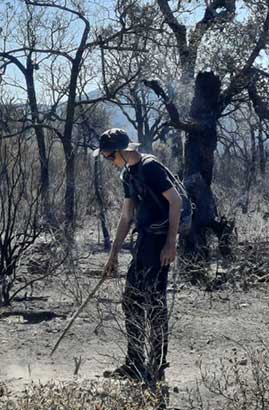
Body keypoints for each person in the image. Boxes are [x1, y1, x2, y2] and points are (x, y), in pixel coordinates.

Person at [93, 128, 181, 384]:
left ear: (123, 150)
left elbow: (175, 202)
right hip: (143, 242)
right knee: (131, 300)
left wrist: (170, 243)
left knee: (155, 303)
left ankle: (156, 368)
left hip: (160, 243)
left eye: (110, 156)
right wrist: (113, 255)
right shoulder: (127, 174)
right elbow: (126, 216)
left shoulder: (151, 167)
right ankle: (134, 363)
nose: (110, 161)